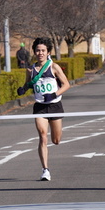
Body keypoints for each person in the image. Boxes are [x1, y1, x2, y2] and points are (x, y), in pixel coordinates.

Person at [17, 37, 70, 181]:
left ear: (48, 52)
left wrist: (53, 94)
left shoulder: (54, 67)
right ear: (34, 52)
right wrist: (23, 89)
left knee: (56, 140)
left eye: (43, 50)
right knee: (42, 135)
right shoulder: (30, 69)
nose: (40, 53)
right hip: (40, 106)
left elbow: (66, 85)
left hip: (55, 105)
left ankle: (47, 164)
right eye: (38, 50)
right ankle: (45, 170)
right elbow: (28, 84)